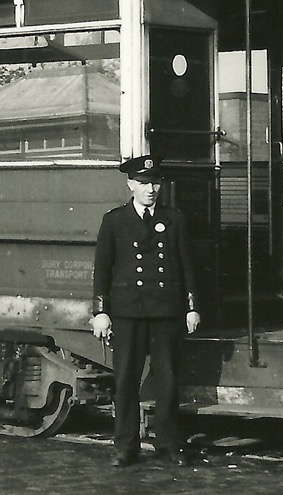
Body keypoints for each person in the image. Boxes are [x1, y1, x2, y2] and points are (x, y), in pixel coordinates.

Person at [90, 155, 200, 468]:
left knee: (167, 379)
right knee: (126, 380)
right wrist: (101, 311)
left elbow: (186, 266)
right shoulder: (114, 220)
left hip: (166, 311)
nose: (150, 189)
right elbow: (102, 270)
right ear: (130, 185)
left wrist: (192, 308)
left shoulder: (174, 219)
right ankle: (125, 446)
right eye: (143, 183)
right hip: (128, 312)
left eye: (155, 182)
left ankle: (169, 443)